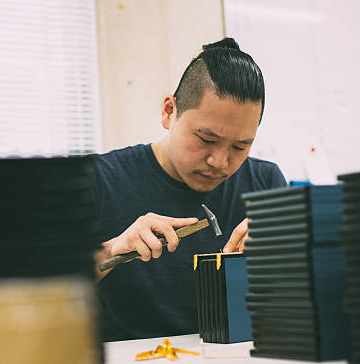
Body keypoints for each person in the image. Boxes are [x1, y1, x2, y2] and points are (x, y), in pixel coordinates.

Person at [91, 38, 287, 341]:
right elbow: (42, 289)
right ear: (170, 111)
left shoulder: (265, 183)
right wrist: (112, 249)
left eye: (240, 146)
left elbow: (293, 303)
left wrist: (289, 253)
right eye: (206, 139)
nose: (219, 162)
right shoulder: (101, 179)